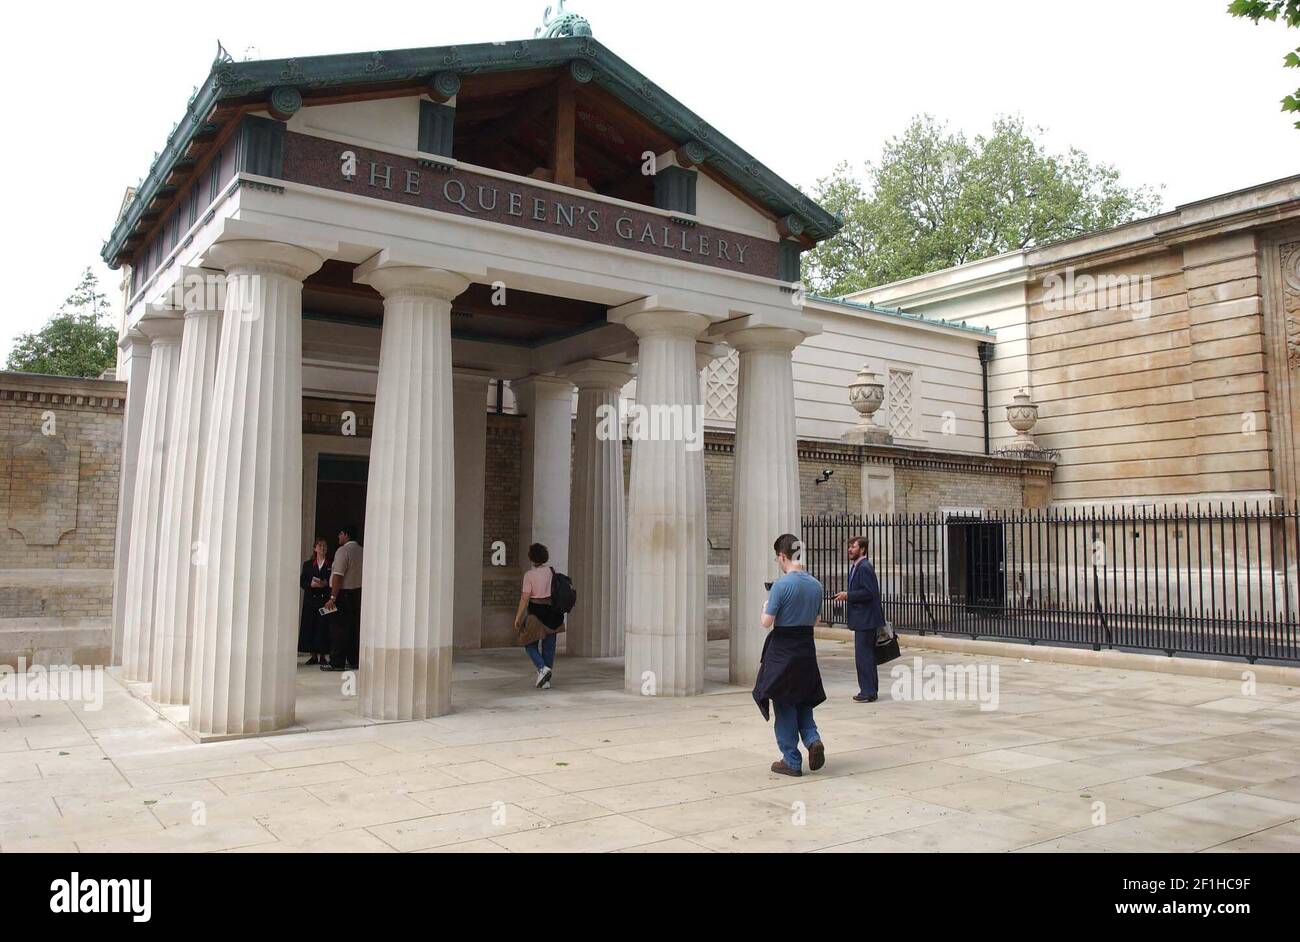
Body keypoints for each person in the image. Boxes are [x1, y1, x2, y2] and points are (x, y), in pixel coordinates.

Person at [752, 533, 827, 777]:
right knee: (803, 698)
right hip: (806, 648)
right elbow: (816, 620)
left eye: (778, 558)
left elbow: (766, 622)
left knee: (784, 701)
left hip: (783, 649)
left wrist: (765, 607)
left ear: (782, 556)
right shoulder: (816, 585)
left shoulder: (781, 585)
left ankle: (791, 760)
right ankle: (813, 739)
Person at [834, 535, 885, 703]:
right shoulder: (857, 566)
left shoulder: (864, 567)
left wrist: (848, 595)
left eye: (853, 547)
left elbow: (870, 593)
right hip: (863, 619)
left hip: (866, 620)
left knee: (863, 657)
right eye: (849, 546)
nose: (849, 549)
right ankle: (870, 690)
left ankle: (867, 691)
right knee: (866, 656)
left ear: (862, 549)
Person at [514, 543, 565, 689]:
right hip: (553, 613)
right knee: (549, 647)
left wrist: (518, 617)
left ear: (531, 557)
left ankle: (542, 668)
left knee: (528, 643)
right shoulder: (552, 571)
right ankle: (546, 681)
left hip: (536, 612)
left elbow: (525, 598)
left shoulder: (529, 575)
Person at [322, 524, 363, 672]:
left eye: (340, 534)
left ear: (346, 535)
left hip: (343, 594)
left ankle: (337, 661)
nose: (338, 537)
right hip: (358, 593)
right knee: (353, 628)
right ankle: (353, 659)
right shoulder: (362, 551)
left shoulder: (343, 550)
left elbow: (338, 575)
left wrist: (333, 597)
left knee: (338, 629)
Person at [298, 537, 332, 666]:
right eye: (320, 546)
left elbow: (333, 581)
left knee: (323, 627)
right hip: (311, 600)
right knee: (310, 626)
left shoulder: (330, 564)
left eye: (324, 546)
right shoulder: (307, 564)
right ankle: (313, 655)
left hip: (324, 600)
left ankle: (323, 655)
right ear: (315, 548)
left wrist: (325, 584)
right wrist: (310, 585)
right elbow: (302, 581)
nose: (322, 548)